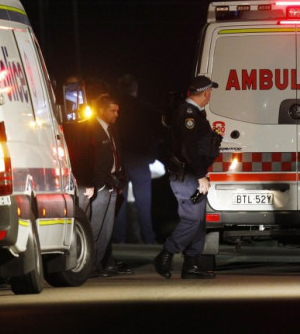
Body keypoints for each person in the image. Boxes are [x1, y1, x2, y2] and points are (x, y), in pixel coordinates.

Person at [153, 76, 222, 280]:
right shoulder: (188, 114)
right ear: (205, 92)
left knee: (199, 220)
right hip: (186, 174)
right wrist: (200, 175)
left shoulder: (194, 113)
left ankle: (192, 263)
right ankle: (166, 254)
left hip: (192, 173)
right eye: (210, 92)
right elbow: (188, 148)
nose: (210, 96)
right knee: (191, 218)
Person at [70, 94, 126, 277]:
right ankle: (87, 264)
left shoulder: (112, 129)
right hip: (97, 185)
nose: (117, 114)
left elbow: (117, 155)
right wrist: (90, 183)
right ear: (101, 110)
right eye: (113, 110)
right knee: (93, 227)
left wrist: (120, 178)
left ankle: (97, 264)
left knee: (106, 229)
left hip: (111, 183)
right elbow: (83, 158)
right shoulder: (88, 129)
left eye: (117, 110)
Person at [113, 74, 164, 245]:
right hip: (141, 160)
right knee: (144, 203)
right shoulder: (145, 108)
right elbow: (160, 129)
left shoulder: (114, 109)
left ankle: (119, 240)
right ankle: (149, 239)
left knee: (119, 202)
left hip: (120, 160)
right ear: (135, 89)